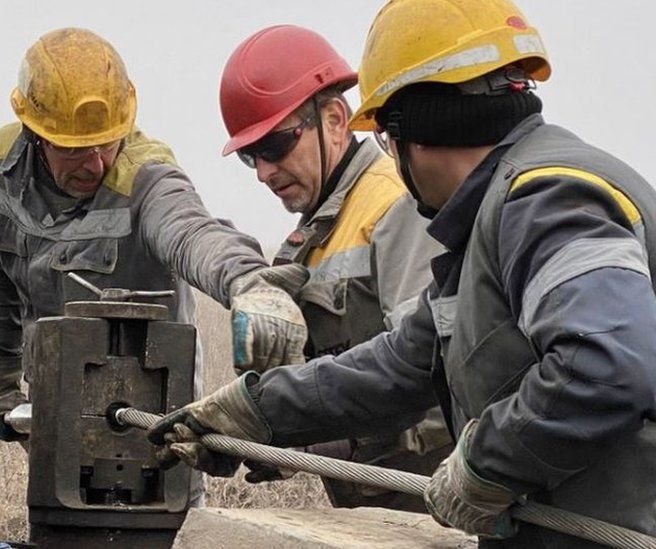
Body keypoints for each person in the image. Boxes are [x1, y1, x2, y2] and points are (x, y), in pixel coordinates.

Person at [149, 1, 656, 546]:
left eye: (387, 140)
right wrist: (252, 410)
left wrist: (486, 466)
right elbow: (402, 363)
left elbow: (604, 365)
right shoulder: (487, 223)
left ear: (412, 133)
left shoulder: (544, 199)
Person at [0, 28, 307, 443]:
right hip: (53, 415)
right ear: (35, 133)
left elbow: (192, 232)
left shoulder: (146, 176)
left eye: (107, 143)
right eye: (74, 149)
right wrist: (0, 390)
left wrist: (248, 283)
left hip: (151, 425)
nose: (95, 165)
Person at [218, 24, 450, 512]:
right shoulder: (314, 236)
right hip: (374, 514)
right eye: (248, 157)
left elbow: (438, 386)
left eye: (276, 146)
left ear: (335, 120)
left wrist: (324, 440)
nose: (263, 172)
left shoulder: (395, 205)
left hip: (434, 512)